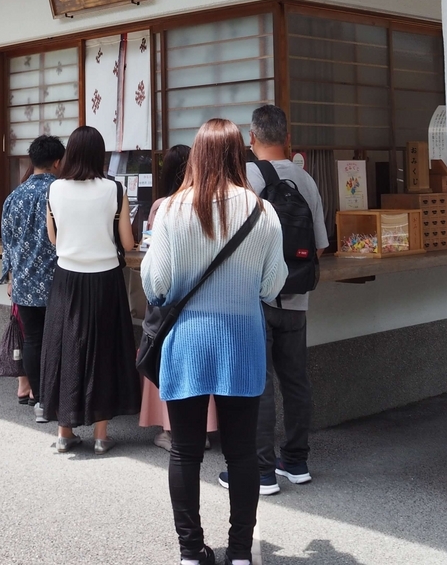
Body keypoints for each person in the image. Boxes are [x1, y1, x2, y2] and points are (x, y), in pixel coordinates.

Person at [142, 119, 286, 565]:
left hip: (186, 342)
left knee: (185, 452)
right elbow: (273, 285)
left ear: (199, 156)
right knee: (242, 453)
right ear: (238, 155)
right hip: (242, 341)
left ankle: (190, 551)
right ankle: (240, 551)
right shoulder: (262, 212)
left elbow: (157, 285)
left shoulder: (169, 210)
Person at [225, 104, 329, 494]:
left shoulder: (242, 180)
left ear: (251, 139)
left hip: (255, 298)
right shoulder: (306, 180)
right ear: (288, 137)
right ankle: (297, 461)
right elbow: (319, 246)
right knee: (296, 379)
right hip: (296, 299)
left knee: (260, 381)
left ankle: (262, 471)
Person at [40, 125, 141, 453]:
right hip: (105, 280)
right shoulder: (114, 189)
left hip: (67, 278)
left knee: (64, 350)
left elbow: (54, 239)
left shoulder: (55, 190)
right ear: (100, 155)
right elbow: (127, 243)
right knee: (105, 352)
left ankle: (64, 432)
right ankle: (100, 435)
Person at [139, 144, 220, 451]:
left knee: (164, 356)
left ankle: (169, 430)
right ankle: (205, 427)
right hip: (199, 294)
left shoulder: (162, 205)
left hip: (168, 296)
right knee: (198, 359)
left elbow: (152, 257)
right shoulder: (207, 203)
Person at [0, 135, 65, 421]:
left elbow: (7, 243)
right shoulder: (61, 192)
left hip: (24, 282)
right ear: (58, 162)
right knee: (57, 340)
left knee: (33, 340)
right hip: (58, 281)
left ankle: (38, 398)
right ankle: (54, 396)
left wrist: (10, 277)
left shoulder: (14, 196)